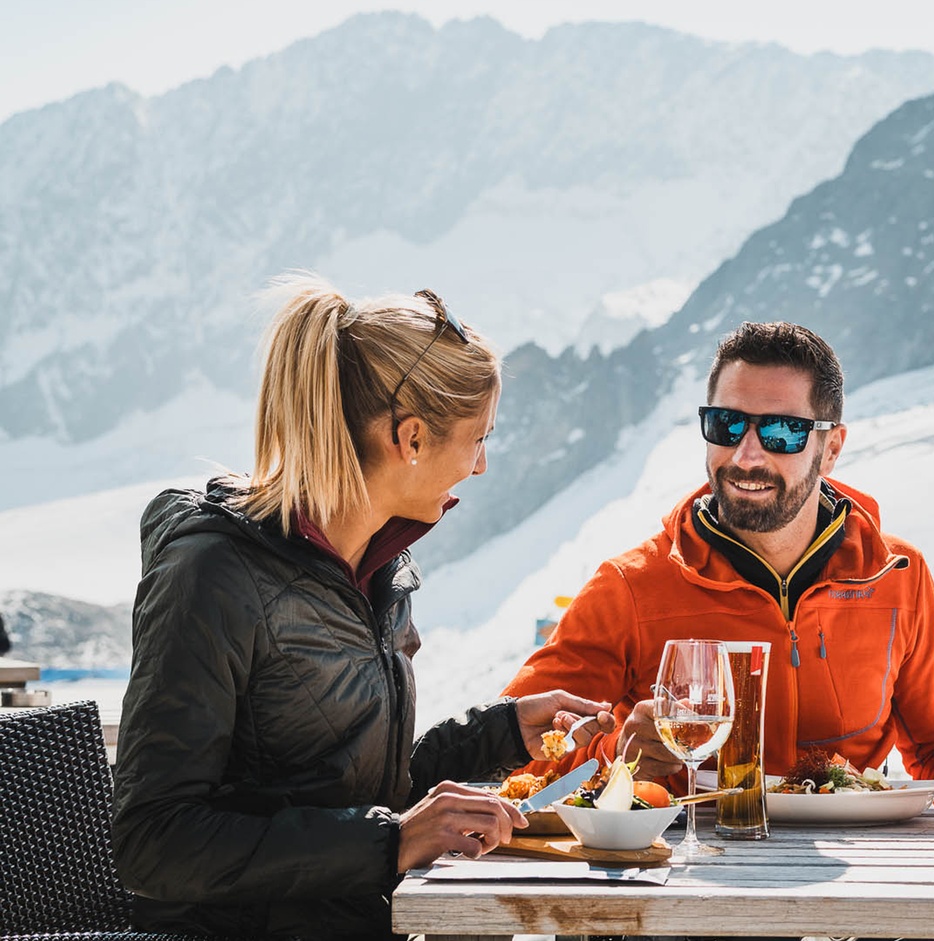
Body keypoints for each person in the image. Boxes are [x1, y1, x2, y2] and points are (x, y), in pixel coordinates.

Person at [112, 275, 615, 940]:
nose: (482, 464)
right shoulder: (213, 576)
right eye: (478, 437)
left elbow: (366, 794)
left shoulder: (379, 573)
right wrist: (387, 844)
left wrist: (503, 732)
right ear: (409, 438)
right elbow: (155, 842)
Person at [502, 321, 934, 798]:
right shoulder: (629, 587)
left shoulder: (897, 574)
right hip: (683, 862)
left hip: (852, 858)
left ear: (830, 448)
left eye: (783, 432)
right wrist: (616, 757)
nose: (747, 456)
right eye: (727, 425)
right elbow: (511, 755)